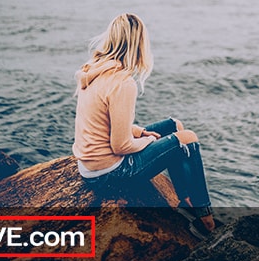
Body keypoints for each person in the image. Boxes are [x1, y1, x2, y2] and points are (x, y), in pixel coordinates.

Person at [72, 13, 215, 237]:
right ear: (138, 43)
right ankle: (206, 215)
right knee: (188, 139)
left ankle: (185, 199)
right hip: (108, 175)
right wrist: (147, 140)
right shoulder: (122, 82)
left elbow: (102, 121)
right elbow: (120, 146)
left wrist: (140, 132)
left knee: (174, 126)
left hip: (90, 168)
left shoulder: (93, 70)